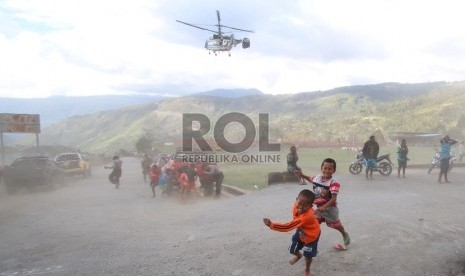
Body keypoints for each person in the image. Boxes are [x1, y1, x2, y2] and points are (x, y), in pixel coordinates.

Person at [263, 189, 320, 276]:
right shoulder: (296, 205)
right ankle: (298, 256)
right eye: (300, 203)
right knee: (292, 249)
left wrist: (271, 224)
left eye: (305, 205)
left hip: (311, 236)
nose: (301, 206)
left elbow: (288, 226)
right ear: (296, 199)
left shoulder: (306, 217)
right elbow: (298, 212)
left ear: (310, 206)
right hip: (301, 230)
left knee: (308, 256)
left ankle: (307, 270)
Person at [296, 158, 350, 249]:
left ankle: (344, 233)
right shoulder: (317, 178)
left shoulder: (333, 183)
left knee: (337, 226)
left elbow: (334, 198)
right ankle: (312, 245)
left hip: (330, 210)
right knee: (312, 225)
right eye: (325, 168)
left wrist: (324, 207)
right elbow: (310, 179)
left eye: (330, 169)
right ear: (321, 168)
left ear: (334, 170)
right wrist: (301, 175)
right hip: (319, 210)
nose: (327, 171)